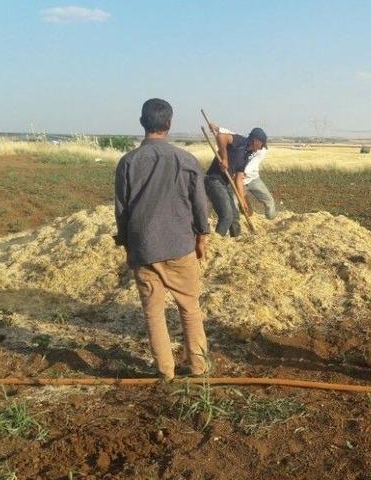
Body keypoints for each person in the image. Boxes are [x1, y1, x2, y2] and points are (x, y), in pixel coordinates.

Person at [114, 98, 211, 380]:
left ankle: (165, 373)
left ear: (143, 122)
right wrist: (201, 238)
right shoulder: (187, 160)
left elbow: (122, 210)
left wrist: (128, 245)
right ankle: (199, 367)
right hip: (181, 246)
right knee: (190, 307)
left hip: (144, 249)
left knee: (153, 313)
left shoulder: (128, 163)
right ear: (169, 124)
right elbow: (200, 205)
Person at [204, 124, 276, 236]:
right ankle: (217, 241)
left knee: (234, 217)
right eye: (262, 145)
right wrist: (224, 158)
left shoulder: (247, 156)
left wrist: (242, 200)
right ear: (256, 141)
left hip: (224, 184)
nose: (261, 148)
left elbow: (238, 178)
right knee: (227, 216)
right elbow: (221, 137)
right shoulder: (240, 141)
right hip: (213, 180)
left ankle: (236, 240)